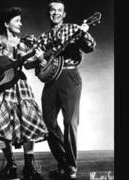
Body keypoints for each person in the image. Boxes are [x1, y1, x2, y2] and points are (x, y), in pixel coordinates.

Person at [0, 7, 48, 180]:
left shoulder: (23, 42)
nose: (21, 23)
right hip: (0, 86)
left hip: (19, 84)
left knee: (27, 120)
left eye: (21, 20)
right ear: (6, 23)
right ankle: (10, 163)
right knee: (1, 122)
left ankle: (29, 164)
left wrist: (38, 58)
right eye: (17, 20)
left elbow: (26, 65)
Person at [34, 0, 96, 179]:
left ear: (64, 13)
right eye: (52, 10)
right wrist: (40, 59)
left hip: (70, 78)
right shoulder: (44, 36)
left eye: (59, 10)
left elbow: (90, 47)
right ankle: (64, 162)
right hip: (51, 81)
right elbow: (37, 64)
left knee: (70, 123)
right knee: (47, 123)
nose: (55, 13)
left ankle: (71, 167)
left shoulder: (74, 28)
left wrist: (84, 34)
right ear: (48, 13)